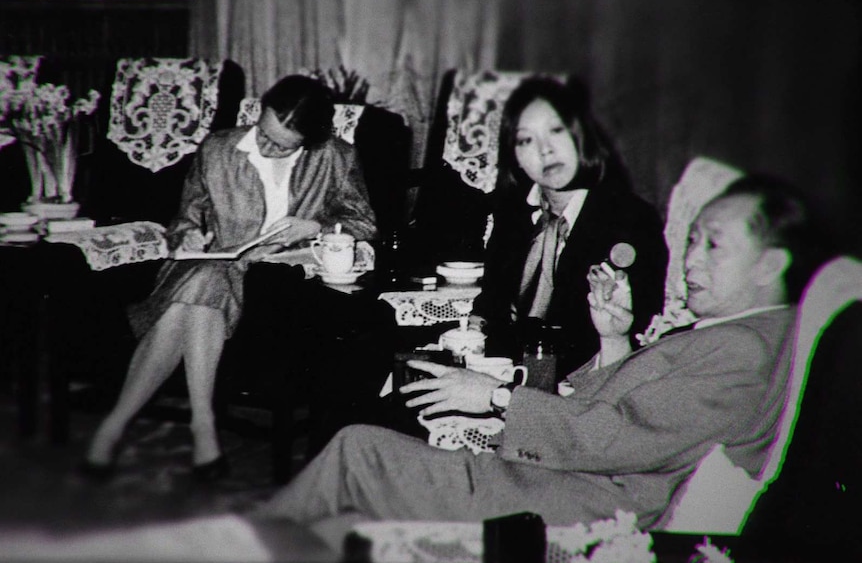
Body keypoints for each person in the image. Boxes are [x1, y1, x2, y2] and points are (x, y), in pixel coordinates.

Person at [253, 174, 823, 533]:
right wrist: (615, 340)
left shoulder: (745, 349)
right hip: (573, 478)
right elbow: (640, 417)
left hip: (583, 505)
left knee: (359, 452)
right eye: (692, 240)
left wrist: (497, 396)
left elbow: (623, 438)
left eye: (714, 245)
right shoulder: (733, 333)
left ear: (771, 265)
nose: (691, 261)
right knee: (358, 471)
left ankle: (235, 547)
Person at [82, 75, 377, 481]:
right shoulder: (219, 147)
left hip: (278, 279)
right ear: (260, 112)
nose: (268, 147)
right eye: (265, 133)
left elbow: (363, 222)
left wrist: (313, 227)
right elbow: (186, 216)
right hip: (211, 264)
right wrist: (189, 233)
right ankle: (203, 430)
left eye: (283, 145)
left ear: (308, 140)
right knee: (205, 280)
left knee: (193, 296)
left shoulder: (335, 157)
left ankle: (115, 426)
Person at [468, 77, 667, 376]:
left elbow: (630, 337)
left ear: (581, 135)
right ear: (516, 158)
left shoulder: (631, 221)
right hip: (504, 376)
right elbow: (492, 302)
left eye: (556, 130)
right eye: (525, 140)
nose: (545, 150)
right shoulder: (513, 212)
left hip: (584, 389)